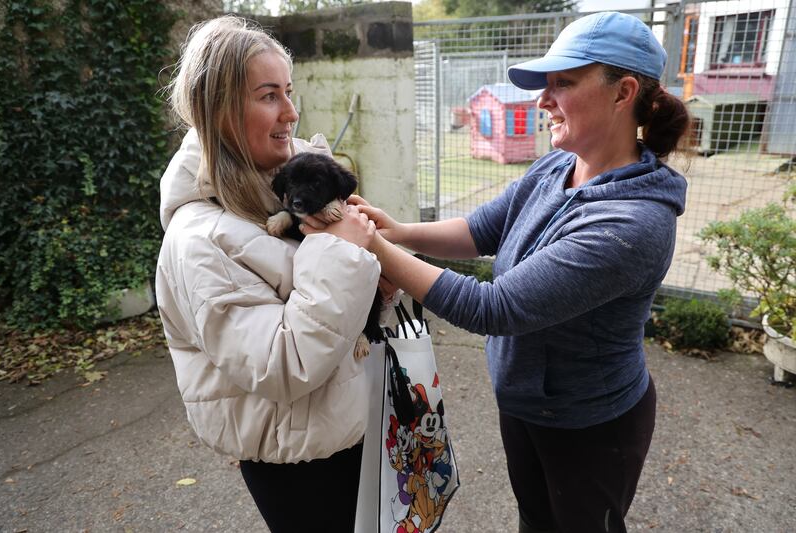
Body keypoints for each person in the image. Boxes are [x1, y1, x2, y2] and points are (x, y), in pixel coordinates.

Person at [304, 11, 690, 533]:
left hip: (590, 424)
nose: (543, 100)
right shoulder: (557, 166)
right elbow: (480, 229)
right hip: (526, 402)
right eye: (545, 85)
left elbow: (495, 308)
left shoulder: (634, 223)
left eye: (563, 83)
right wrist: (397, 232)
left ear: (623, 93)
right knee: (534, 520)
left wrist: (369, 242)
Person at [155, 16, 381, 533]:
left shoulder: (279, 183)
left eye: (289, 91)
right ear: (219, 112)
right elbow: (283, 365)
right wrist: (346, 253)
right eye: (269, 95)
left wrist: (375, 264)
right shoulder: (201, 240)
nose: (291, 111)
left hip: (343, 425)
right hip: (298, 458)